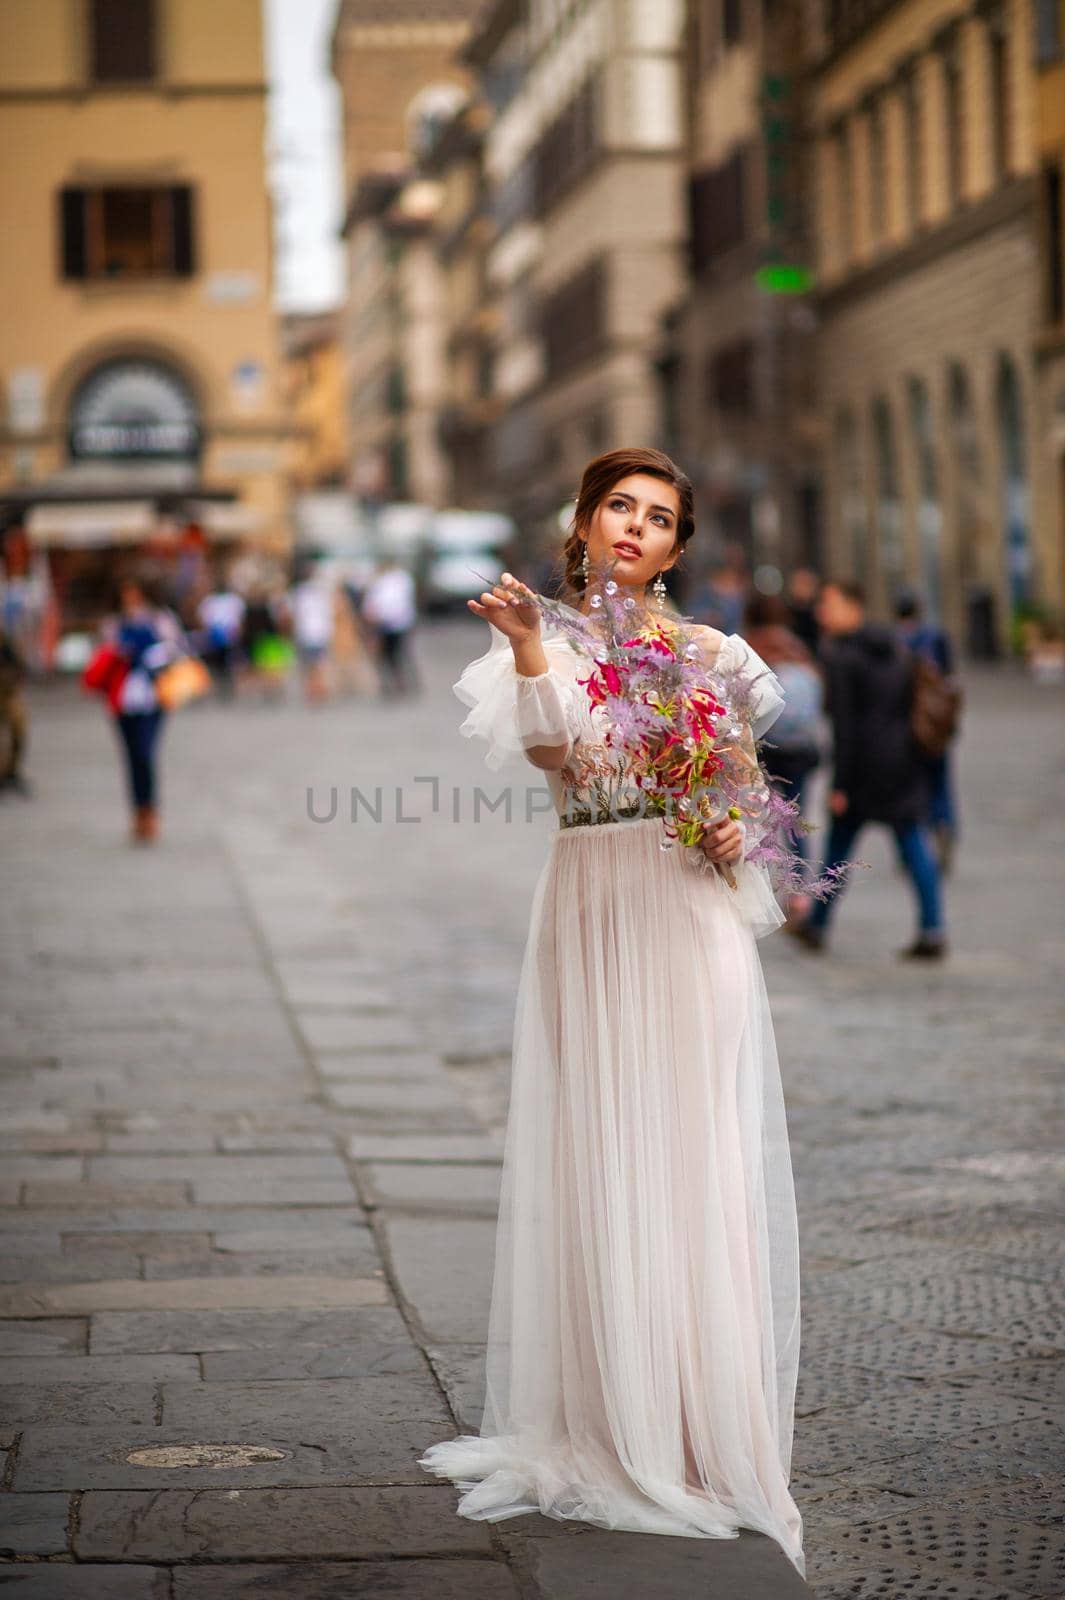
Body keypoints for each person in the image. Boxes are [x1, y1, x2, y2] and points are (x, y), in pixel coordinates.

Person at [418, 448, 805, 1579]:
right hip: (592, 910)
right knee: (608, 1163)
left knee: (698, 1164)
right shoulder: (535, 642)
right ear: (583, 526)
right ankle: (611, 1420)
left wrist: (736, 827)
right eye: (617, 508)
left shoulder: (714, 654)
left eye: (659, 517)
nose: (635, 527)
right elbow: (552, 748)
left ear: (680, 547)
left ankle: (700, 1430)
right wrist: (535, 642)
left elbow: (741, 784)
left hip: (689, 919)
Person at [791, 579, 946, 959]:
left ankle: (817, 924)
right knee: (912, 844)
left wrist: (840, 784)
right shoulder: (895, 647)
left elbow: (846, 726)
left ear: (853, 607)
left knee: (839, 850)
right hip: (901, 758)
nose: (821, 612)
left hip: (863, 766)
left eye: (829, 604)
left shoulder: (841, 656)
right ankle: (932, 928)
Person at [742, 593, 823, 917]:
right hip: (801, 748)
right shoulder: (796, 648)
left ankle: (762, 882)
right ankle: (801, 888)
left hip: (768, 746)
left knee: (761, 814)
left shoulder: (749, 646)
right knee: (795, 814)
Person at [98, 575, 187, 843]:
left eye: (135, 594)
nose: (131, 600)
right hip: (123, 699)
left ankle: (150, 810)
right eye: (126, 594)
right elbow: (103, 656)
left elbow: (177, 650)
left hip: (152, 697)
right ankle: (137, 810)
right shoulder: (113, 624)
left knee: (146, 752)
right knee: (131, 756)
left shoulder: (160, 619)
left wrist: (156, 656)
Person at [893, 589, 958, 873]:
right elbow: (949, 676)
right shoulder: (936, 637)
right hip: (936, 726)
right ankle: (944, 825)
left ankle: (914, 849)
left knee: (911, 789)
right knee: (941, 784)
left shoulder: (895, 643)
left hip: (909, 729)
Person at [361, 557, 419, 697]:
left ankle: (401, 681)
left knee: (395, 654)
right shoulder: (392, 580)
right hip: (389, 623)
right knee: (390, 655)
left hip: (395, 623)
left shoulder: (394, 580)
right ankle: (396, 682)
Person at [288, 566, 334, 703]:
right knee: (318, 663)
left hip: (306, 633)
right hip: (320, 632)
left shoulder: (299, 592)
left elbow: (292, 613)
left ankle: (313, 689)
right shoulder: (322, 591)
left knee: (309, 664)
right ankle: (318, 688)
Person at [196, 574, 246, 699]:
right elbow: (203, 619)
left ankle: (230, 689)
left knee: (232, 664)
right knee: (216, 665)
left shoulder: (234, 599)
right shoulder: (209, 601)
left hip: (231, 635)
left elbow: (240, 618)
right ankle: (218, 688)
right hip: (215, 636)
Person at [0, 626, 30, 796]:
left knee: (19, 729)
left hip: (7, 692)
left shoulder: (4, 639)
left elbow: (18, 661)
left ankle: (10, 772)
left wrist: (14, 677)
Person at [786, 568, 821, 655]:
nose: (801, 588)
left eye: (806, 584)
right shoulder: (783, 613)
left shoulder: (818, 615)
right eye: (798, 583)